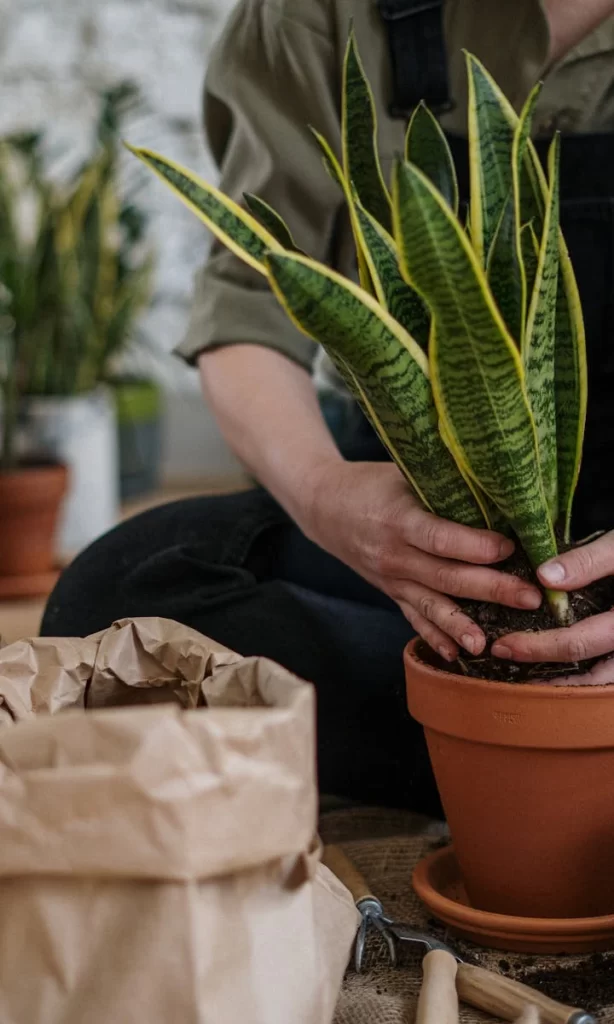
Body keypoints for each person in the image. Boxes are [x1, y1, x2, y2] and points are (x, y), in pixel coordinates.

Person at [42, 0, 614, 810]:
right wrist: (325, 497)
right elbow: (250, 314)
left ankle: (495, 741)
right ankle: (540, 735)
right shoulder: (318, 12)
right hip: (426, 539)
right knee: (113, 596)